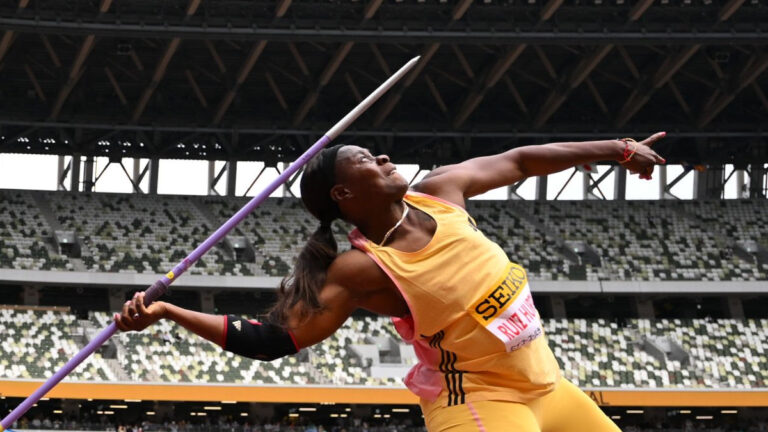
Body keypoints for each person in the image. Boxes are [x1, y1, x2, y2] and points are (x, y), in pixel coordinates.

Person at [116, 133, 666, 431]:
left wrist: (617, 149)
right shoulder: (361, 268)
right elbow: (276, 338)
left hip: (550, 388)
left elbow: (520, 160)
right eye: (363, 158)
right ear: (343, 195)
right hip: (480, 403)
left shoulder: (442, 193)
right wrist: (168, 312)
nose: (382, 156)